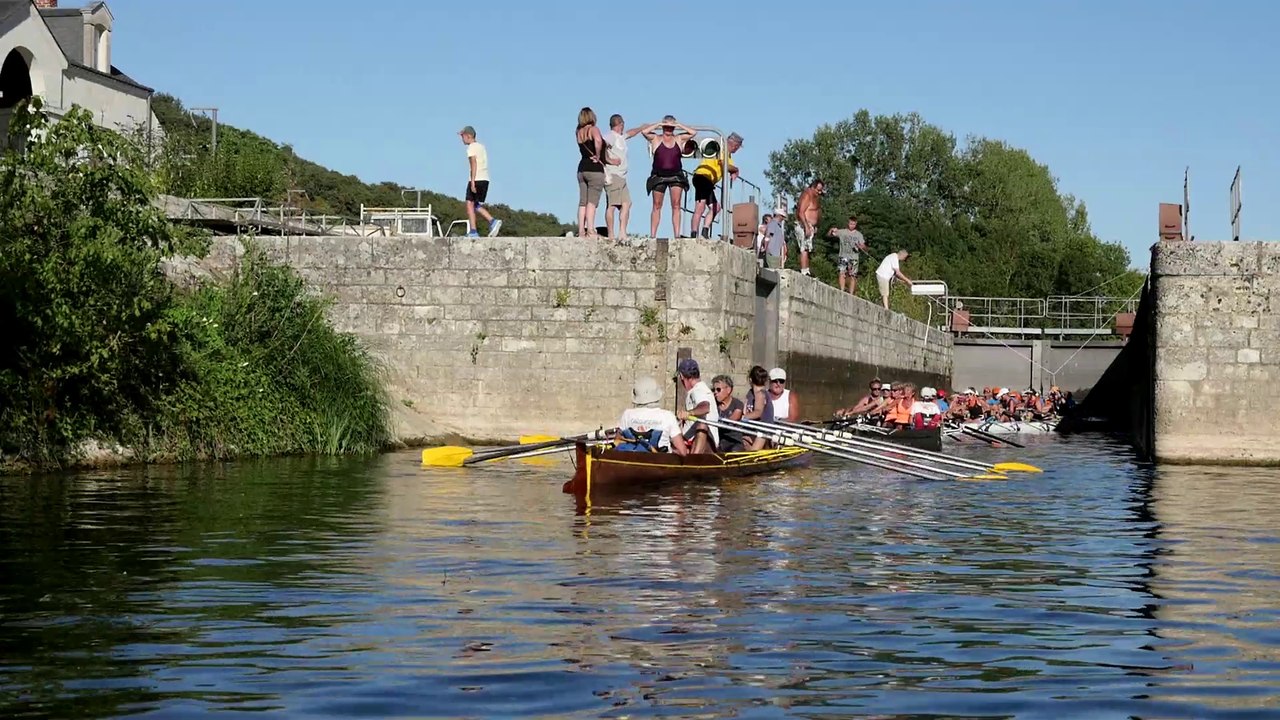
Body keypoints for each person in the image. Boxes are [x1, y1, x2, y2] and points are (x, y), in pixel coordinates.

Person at [641, 115, 696, 239]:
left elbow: (693, 132)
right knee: (657, 205)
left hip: (675, 175)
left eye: (670, 128)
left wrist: (678, 125)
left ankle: (676, 235)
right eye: (666, 127)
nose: (668, 130)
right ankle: (653, 235)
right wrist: (659, 124)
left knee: (676, 204)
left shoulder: (678, 139)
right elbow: (644, 132)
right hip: (659, 176)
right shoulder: (656, 138)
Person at [615, 376, 689, 454]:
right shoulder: (668, 416)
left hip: (633, 461)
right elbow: (682, 452)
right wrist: (671, 450)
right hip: (660, 462)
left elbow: (617, 442)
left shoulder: (627, 414)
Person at [690, 132, 743, 239]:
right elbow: (723, 164)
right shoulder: (721, 147)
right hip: (703, 176)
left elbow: (728, 166)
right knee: (700, 207)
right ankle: (693, 233)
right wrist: (736, 170)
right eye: (737, 147)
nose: (736, 150)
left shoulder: (728, 156)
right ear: (735, 145)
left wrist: (732, 171)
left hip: (709, 181)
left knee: (716, 207)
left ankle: (705, 231)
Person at [459, 125, 502, 237]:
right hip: (485, 179)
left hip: (477, 178)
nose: (461, 139)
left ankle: (476, 230)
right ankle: (490, 222)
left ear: (468, 136)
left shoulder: (471, 148)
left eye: (462, 136)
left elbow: (473, 163)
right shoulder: (481, 146)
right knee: (475, 204)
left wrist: (472, 181)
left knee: (469, 203)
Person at [603, 114, 640, 241]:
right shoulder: (610, 136)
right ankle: (611, 235)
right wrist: (609, 160)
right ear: (620, 124)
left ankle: (622, 232)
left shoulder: (620, 137)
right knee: (612, 205)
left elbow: (631, 133)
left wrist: (643, 127)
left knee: (627, 203)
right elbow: (601, 144)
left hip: (622, 177)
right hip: (613, 175)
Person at [575, 108, 607, 238]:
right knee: (592, 202)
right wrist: (598, 155)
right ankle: (591, 230)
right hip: (594, 168)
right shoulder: (594, 129)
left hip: (582, 167)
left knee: (583, 201)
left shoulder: (578, 132)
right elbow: (598, 140)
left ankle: (581, 230)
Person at [675, 358, 719, 453]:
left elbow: (705, 407)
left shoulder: (699, 390)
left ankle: (693, 461)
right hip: (690, 440)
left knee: (702, 426)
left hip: (706, 444)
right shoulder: (696, 390)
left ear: (682, 376)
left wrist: (688, 413)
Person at [828, 216, 867, 294]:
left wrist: (860, 246)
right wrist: (831, 230)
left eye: (853, 224)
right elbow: (830, 235)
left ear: (856, 224)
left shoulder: (859, 235)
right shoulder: (842, 232)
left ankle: (851, 293)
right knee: (842, 272)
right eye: (850, 224)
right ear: (848, 223)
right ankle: (842, 290)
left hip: (854, 257)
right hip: (843, 256)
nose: (851, 225)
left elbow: (864, 247)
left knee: (853, 275)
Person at [794, 179, 825, 276]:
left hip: (810, 226)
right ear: (813, 187)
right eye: (818, 190)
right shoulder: (807, 195)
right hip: (803, 224)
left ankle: (807, 270)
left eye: (821, 190)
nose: (819, 192)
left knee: (807, 249)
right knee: (803, 248)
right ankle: (804, 270)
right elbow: (801, 212)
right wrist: (806, 226)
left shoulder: (815, 197)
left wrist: (815, 226)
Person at [741, 365, 775, 450]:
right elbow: (744, 410)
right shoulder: (750, 393)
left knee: (752, 453)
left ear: (750, 380)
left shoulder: (761, 394)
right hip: (753, 427)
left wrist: (742, 418)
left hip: (764, 428)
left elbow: (758, 413)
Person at [711, 374, 745, 452]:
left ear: (728, 390)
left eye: (718, 389)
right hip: (719, 443)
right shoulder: (713, 405)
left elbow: (733, 419)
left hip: (734, 442)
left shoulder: (737, 404)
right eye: (714, 390)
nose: (715, 393)